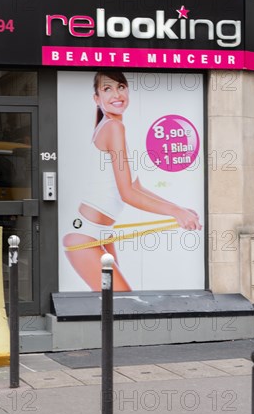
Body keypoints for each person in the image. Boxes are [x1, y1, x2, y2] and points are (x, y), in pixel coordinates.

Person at [63, 71, 202, 291]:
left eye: (121, 87)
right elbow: (127, 193)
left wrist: (178, 208)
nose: (117, 94)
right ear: (96, 98)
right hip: (85, 235)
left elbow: (136, 187)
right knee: (121, 303)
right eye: (107, 89)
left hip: (100, 233)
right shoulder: (113, 128)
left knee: (114, 309)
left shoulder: (112, 127)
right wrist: (176, 213)